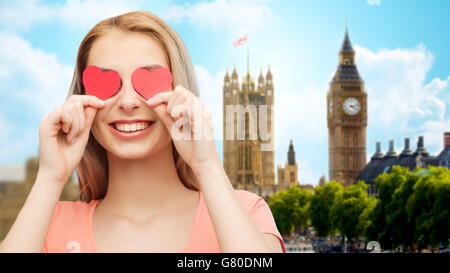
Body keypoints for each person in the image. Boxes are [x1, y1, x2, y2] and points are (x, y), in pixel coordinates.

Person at [0, 10, 286, 253]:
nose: (126, 102)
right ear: (82, 98)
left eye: (148, 82)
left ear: (181, 93)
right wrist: (50, 177)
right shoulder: (47, 226)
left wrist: (207, 167)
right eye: (106, 83)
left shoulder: (245, 213)